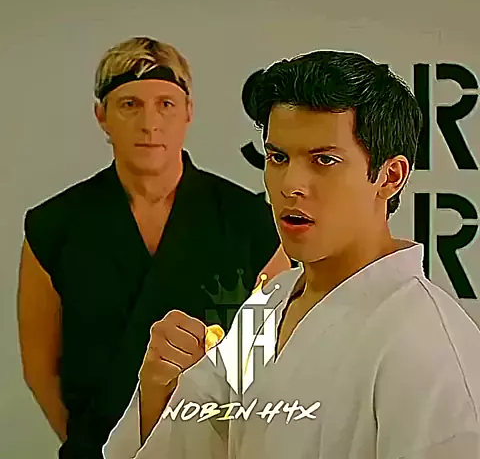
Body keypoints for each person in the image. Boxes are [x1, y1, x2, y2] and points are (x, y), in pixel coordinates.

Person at [103, 50, 480, 459]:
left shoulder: (428, 344)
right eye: (278, 158)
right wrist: (160, 390)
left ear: (390, 176)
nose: (290, 185)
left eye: (324, 160)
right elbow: (203, 442)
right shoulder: (270, 303)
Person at [16, 37, 291, 459]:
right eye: (130, 104)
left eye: (166, 104)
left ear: (188, 112)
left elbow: (276, 360)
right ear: (102, 116)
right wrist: (92, 443)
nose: (150, 123)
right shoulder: (53, 225)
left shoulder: (252, 223)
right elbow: (40, 368)